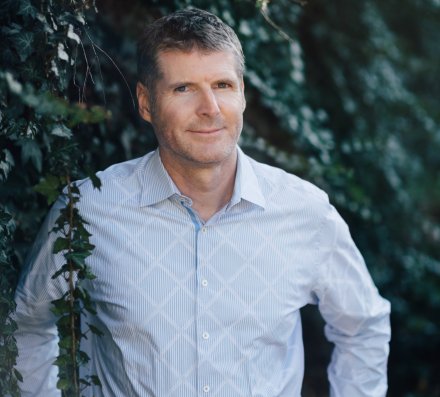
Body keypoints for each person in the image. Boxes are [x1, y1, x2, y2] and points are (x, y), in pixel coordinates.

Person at [14, 8, 391, 397]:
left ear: (242, 93)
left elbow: (363, 325)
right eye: (184, 88)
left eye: (223, 85)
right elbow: (25, 322)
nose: (210, 107)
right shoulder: (89, 210)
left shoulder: (304, 212)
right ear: (146, 103)